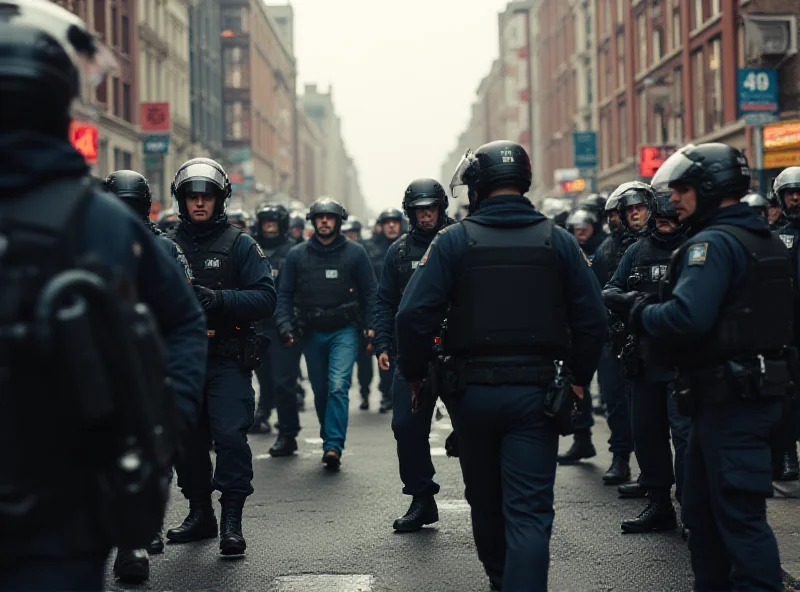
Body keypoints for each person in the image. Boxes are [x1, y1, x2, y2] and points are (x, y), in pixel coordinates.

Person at [0, 3, 207, 589]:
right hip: (66, 501)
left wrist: (165, 422)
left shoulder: (103, 222)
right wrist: (166, 427)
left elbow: (181, 323)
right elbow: (184, 324)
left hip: (64, 498)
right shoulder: (106, 222)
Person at [396, 141, 607, 591]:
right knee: (529, 511)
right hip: (537, 395)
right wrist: (578, 379)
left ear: (476, 186)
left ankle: (499, 579)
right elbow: (592, 318)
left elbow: (413, 315)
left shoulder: (453, 241)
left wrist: (416, 374)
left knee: (486, 502)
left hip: (471, 395)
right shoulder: (559, 240)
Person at [607, 143, 791, 591]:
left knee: (738, 525)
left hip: (728, 405)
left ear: (710, 189)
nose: (675, 199)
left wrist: (637, 310)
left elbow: (684, 318)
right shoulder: (765, 240)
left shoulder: (711, 245)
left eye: (685, 189)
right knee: (706, 522)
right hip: (756, 396)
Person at [166, 158, 276, 559]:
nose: (199, 204)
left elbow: (267, 297)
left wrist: (221, 299)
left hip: (227, 357)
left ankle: (232, 519)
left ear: (219, 200)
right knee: (186, 442)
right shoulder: (165, 243)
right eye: (192, 197)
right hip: (181, 360)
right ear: (182, 200)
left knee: (230, 437)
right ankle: (200, 514)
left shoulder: (240, 244)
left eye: (206, 197)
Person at [604, 185, 690, 534]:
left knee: (684, 436)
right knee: (647, 433)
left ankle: (690, 508)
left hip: (684, 361)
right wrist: (630, 301)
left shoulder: (694, 249)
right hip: (643, 358)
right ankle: (658, 503)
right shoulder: (637, 251)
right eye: (661, 216)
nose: (666, 222)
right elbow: (609, 290)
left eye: (673, 217)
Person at [374, 178, 455, 532]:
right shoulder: (399, 252)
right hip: (412, 353)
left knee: (477, 427)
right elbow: (384, 302)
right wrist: (381, 344)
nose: (426, 216)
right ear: (411, 213)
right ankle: (421, 499)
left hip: (458, 351)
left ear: (441, 209)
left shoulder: (460, 241)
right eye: (420, 210)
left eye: (431, 209)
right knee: (406, 428)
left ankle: (490, 499)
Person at [275, 197, 377, 469]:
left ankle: (333, 445)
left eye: (329, 217)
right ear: (313, 220)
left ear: (338, 221)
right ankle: (328, 434)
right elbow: (283, 294)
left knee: (337, 386)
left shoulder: (356, 254)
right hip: (311, 332)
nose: (324, 221)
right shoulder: (297, 255)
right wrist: (284, 324)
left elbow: (370, 293)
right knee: (320, 392)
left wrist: (371, 326)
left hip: (344, 330)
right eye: (319, 216)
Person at [589, 191, 636, 485]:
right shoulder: (604, 249)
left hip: (648, 336)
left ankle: (656, 473)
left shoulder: (652, 246)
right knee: (615, 401)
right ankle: (620, 457)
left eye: (620, 213)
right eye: (612, 215)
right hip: (611, 336)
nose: (615, 220)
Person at [251, 203, 303, 457]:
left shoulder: (293, 251)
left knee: (285, 381)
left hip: (284, 325)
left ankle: (287, 433)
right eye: (266, 223)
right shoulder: (250, 247)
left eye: (274, 223)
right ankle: (262, 412)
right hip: (256, 324)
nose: (269, 227)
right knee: (263, 377)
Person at [772, 166, 800, 481]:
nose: (795, 198)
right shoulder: (775, 238)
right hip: (786, 329)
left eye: (799, 192)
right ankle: (788, 453)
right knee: (786, 396)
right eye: (790, 193)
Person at [367, 207, 406, 412]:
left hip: (407, 308)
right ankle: (386, 394)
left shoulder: (411, 246)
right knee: (384, 351)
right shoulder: (371, 250)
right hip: (383, 308)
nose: (391, 225)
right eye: (387, 222)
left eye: (395, 222)